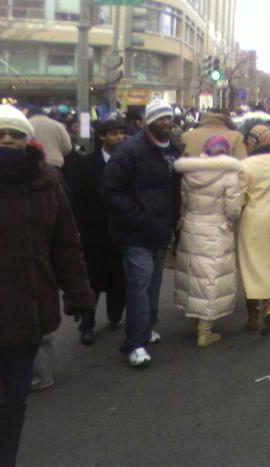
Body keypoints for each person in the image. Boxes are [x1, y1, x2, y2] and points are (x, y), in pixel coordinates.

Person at [0, 105, 94, 466]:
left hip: (29, 311)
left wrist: (78, 291)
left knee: (14, 402)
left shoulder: (46, 182)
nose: (7, 140)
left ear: (27, 139)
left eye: (15, 134)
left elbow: (66, 244)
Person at [101, 99, 184, 368]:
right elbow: (110, 190)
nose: (166, 122)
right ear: (147, 121)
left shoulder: (173, 149)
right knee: (139, 285)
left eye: (169, 117)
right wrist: (137, 218)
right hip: (135, 232)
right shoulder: (130, 149)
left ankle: (147, 327)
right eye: (160, 118)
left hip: (160, 230)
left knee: (152, 285)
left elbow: (173, 190)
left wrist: (171, 222)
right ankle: (134, 344)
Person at [174, 135, 242, 347]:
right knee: (210, 278)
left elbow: (184, 202)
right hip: (216, 230)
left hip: (191, 226)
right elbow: (233, 210)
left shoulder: (190, 173)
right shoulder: (229, 175)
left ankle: (196, 321)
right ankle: (205, 331)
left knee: (194, 274)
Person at [72, 118, 128, 345]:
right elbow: (76, 198)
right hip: (93, 232)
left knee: (119, 279)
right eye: (114, 134)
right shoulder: (84, 165)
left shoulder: (128, 162)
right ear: (102, 136)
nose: (120, 138)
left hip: (122, 230)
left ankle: (115, 317)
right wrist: (79, 228)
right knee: (91, 281)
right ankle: (87, 325)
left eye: (122, 134)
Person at [237, 124, 270, 335]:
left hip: (252, 221)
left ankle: (253, 316)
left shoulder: (245, 165)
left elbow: (240, 197)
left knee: (251, 267)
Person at [182, 109, 247, 159]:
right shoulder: (237, 136)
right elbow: (242, 162)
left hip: (192, 175)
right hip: (225, 175)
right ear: (229, 119)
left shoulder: (186, 136)